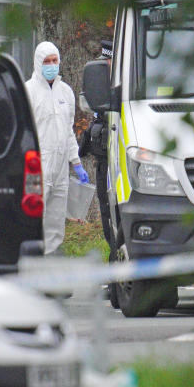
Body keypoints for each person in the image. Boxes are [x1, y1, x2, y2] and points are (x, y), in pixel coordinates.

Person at [25, 41, 89, 255]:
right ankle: (31, 262)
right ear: (37, 63)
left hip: (60, 168)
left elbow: (68, 130)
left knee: (55, 219)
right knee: (34, 218)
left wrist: (76, 163)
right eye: (47, 61)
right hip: (36, 167)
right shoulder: (29, 91)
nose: (52, 65)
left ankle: (51, 263)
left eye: (55, 61)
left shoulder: (66, 92)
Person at [78, 39, 114, 246]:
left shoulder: (128, 77)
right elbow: (87, 103)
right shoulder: (97, 80)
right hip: (104, 153)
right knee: (105, 207)